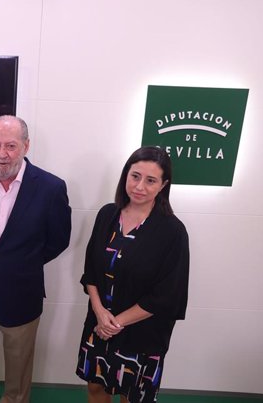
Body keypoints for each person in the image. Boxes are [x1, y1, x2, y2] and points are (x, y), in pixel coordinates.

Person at [0, 115, 72, 403]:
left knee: (18, 372)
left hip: (22, 291)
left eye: (10, 146)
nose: (2, 154)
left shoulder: (50, 187)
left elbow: (58, 240)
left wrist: (21, 263)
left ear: (26, 145)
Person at [75, 146, 190, 403]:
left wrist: (116, 323)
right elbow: (91, 272)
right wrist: (100, 313)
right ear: (125, 175)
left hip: (142, 333)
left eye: (151, 180)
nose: (140, 186)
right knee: (96, 387)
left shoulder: (172, 231)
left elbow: (167, 295)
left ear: (163, 185)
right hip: (99, 323)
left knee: (132, 396)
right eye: (135, 176)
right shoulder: (107, 215)